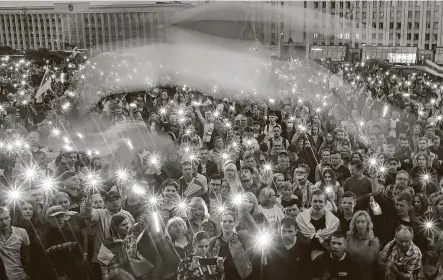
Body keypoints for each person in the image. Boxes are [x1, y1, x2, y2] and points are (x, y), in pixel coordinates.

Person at [40, 205, 87, 280]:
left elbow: (79, 256)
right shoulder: (43, 237)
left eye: (62, 216)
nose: (59, 220)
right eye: (56, 217)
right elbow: (43, 263)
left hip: (74, 275)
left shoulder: (73, 233)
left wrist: (73, 273)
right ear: (48, 219)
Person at [208, 208, 256, 280]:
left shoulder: (241, 237)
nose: (227, 224)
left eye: (230, 221)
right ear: (220, 223)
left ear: (235, 223)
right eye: (224, 221)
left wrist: (244, 211)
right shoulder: (213, 241)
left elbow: (254, 231)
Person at [296, 189, 339, 263]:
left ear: (325, 203)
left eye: (321, 201)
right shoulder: (301, 218)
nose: (317, 204)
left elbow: (334, 243)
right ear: (310, 202)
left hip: (326, 258)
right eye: (315, 201)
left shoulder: (333, 221)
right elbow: (298, 239)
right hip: (304, 257)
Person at [346, 211, 380, 280]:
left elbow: (370, 260)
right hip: (348, 274)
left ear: (367, 223)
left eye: (363, 222)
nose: (360, 225)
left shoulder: (373, 240)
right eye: (357, 222)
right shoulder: (349, 236)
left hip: (364, 275)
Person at [0, 206, 30, 280]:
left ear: (10, 217)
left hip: (21, 275)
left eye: (6, 218)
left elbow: (28, 257)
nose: (4, 222)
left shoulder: (22, 232)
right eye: (0, 220)